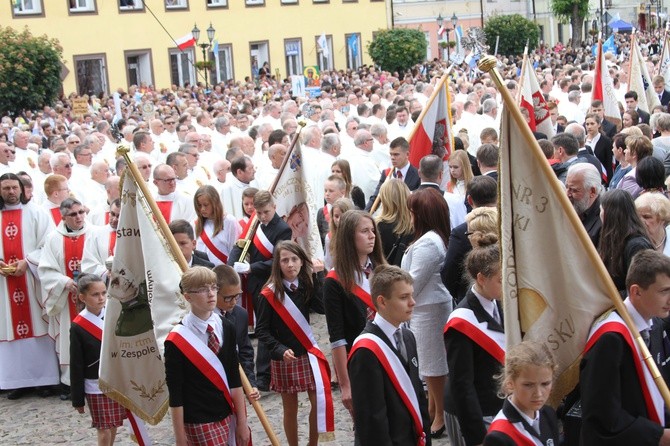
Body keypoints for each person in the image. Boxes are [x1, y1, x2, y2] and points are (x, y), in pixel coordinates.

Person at [580, 250, 670, 445]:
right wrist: (658, 436)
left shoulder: (655, 325)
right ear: (636, 291)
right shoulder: (610, 339)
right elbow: (602, 415)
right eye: (664, 291)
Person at [256, 241, 333, 445]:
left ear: (301, 262)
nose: (290, 265)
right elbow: (261, 330)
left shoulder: (305, 285)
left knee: (318, 402)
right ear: (277, 264)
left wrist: (317, 277)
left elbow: (322, 307)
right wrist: (279, 350)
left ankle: (312, 443)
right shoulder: (269, 294)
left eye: (294, 259)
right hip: (284, 359)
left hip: (307, 353)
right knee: (290, 408)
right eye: (285, 260)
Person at [164, 266, 250, 446]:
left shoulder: (226, 326)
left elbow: (234, 378)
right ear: (188, 297)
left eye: (213, 287)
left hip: (227, 414)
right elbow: (176, 393)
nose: (211, 294)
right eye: (203, 290)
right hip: (198, 420)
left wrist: (242, 422)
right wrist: (180, 438)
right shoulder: (176, 340)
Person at [348, 265, 431, 445]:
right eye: (404, 297)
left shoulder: (408, 337)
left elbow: (418, 396)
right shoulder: (366, 351)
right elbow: (371, 418)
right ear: (382, 301)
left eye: (411, 294)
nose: (412, 302)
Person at [0, 172, 59, 400]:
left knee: (37, 325)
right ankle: (15, 381)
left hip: (32, 280)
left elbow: (50, 243)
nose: (11, 192)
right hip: (5, 285)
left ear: (22, 189)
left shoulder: (36, 213)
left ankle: (44, 380)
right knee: (9, 327)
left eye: (15, 187)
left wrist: (28, 261)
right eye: (6, 188)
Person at [324, 210, 387, 415]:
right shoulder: (334, 281)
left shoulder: (382, 269)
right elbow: (337, 337)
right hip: (361, 361)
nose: (372, 236)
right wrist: (345, 385)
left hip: (389, 354)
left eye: (372, 231)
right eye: (364, 231)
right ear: (349, 237)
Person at [401, 187, 453, 438]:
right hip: (426, 307)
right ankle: (433, 409)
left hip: (429, 308)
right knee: (429, 363)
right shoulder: (431, 239)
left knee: (433, 365)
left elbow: (413, 280)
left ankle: (440, 414)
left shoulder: (428, 243)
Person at [228, 190, 292, 390]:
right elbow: (240, 246)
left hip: (270, 282)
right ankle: (264, 373)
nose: (263, 216)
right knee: (263, 326)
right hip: (254, 285)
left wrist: (251, 267)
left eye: (266, 212)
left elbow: (278, 259)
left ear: (274, 207)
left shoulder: (283, 229)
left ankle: (263, 375)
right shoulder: (254, 224)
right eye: (259, 213)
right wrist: (231, 266)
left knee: (265, 328)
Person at [444, 242, 505, 446]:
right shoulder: (461, 321)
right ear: (481, 278)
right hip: (475, 413)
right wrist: (476, 436)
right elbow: (462, 384)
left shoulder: (499, 304)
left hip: (496, 407)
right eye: (501, 280)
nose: (507, 284)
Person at [39, 197, 92, 399]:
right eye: (73, 214)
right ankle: (72, 383)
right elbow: (46, 269)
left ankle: (97, 380)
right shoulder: (53, 238)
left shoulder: (94, 233)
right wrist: (65, 282)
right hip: (67, 298)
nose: (79, 217)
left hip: (94, 298)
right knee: (70, 340)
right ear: (63, 217)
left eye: (81, 212)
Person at [70, 274, 127, 446]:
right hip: (95, 385)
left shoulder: (113, 315)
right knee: (103, 430)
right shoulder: (78, 326)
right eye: (95, 294)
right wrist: (77, 398)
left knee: (114, 424)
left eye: (104, 293)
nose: (101, 298)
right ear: (82, 297)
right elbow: (76, 364)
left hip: (116, 381)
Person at [483, 341, 560, 446]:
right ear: (510, 383)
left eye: (545, 384)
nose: (538, 394)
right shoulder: (499, 435)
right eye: (528, 385)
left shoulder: (548, 414)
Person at [212, 264, 260, 399]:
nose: (233, 302)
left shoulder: (240, 314)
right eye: (228, 297)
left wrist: (250, 383)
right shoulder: (205, 317)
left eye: (237, 296)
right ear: (214, 292)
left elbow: (245, 351)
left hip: (235, 385)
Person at [599, 189, 654, 294]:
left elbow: (641, 288)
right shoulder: (613, 242)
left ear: (608, 213)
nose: (600, 214)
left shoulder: (637, 245)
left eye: (601, 210)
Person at [193, 185, 241, 266]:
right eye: (199, 205)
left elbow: (234, 251)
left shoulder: (229, 221)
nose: (202, 209)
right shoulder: (195, 224)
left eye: (206, 205)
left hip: (223, 273)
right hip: (203, 274)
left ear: (215, 203)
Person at [375, 179, 413, 267]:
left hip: (382, 275)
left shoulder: (377, 226)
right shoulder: (414, 226)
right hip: (405, 277)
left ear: (385, 200)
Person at [617, 135, 654, 199]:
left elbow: (625, 200)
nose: (624, 151)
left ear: (634, 154)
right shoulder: (650, 170)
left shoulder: (632, 177)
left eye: (627, 148)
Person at [324, 198, 354, 272]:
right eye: (336, 216)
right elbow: (328, 263)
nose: (339, 220)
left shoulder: (358, 234)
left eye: (343, 216)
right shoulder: (330, 237)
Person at [317, 175, 346, 246]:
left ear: (342, 192)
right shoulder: (321, 212)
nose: (327, 194)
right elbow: (320, 237)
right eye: (325, 190)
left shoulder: (350, 210)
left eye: (331, 191)